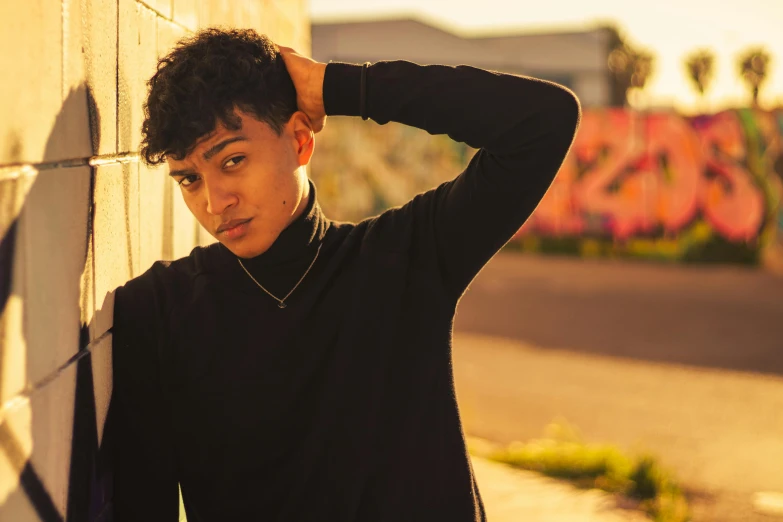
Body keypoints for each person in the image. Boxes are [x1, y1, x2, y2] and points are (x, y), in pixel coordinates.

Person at [109, 27, 580, 521]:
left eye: (233, 160)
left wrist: (338, 87)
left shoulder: (405, 259)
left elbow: (543, 120)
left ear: (299, 139)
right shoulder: (158, 311)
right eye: (189, 179)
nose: (213, 201)